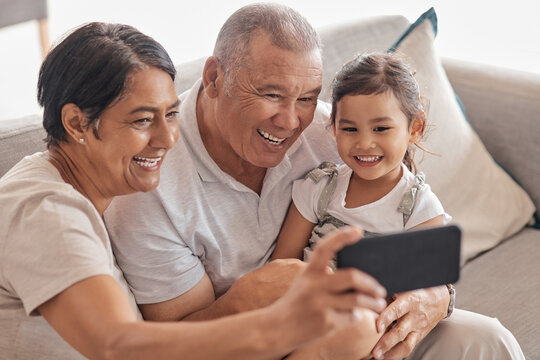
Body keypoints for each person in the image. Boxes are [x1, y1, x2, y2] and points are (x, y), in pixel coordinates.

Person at [105, 3, 525, 359]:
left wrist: (436, 296)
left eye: (307, 98)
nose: (291, 122)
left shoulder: (334, 135)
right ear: (215, 78)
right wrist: (243, 299)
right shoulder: (149, 187)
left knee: (489, 339)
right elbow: (175, 343)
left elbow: (415, 240)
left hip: (360, 319)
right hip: (248, 344)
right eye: (271, 94)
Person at [0, 22, 389, 359]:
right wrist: (278, 324)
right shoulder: (44, 210)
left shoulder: (94, 197)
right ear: (76, 123)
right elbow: (117, 345)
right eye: (142, 121)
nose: (168, 139)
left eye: (171, 114)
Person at [272, 52, 451, 263]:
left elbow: (419, 291)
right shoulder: (318, 188)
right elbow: (281, 267)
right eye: (350, 128)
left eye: (381, 128)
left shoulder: (421, 209)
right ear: (334, 128)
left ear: (415, 128)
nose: (364, 143)